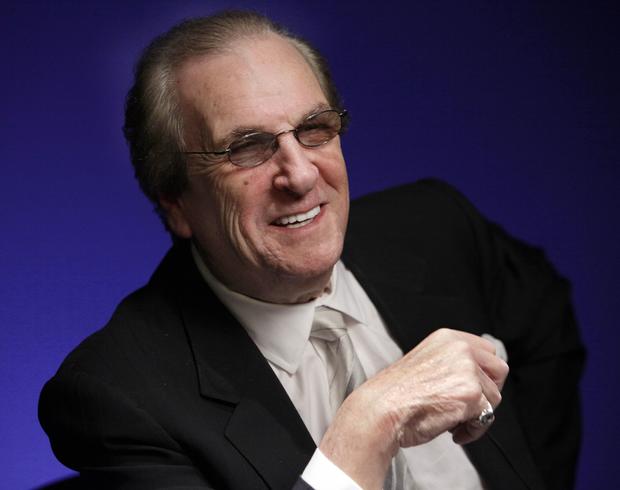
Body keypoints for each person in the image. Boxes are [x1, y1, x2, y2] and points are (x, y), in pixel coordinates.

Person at [39, 10, 585, 490]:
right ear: (176, 202)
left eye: (314, 128)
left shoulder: (434, 225)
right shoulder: (118, 395)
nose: (300, 176)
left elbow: (547, 326)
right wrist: (371, 421)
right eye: (247, 148)